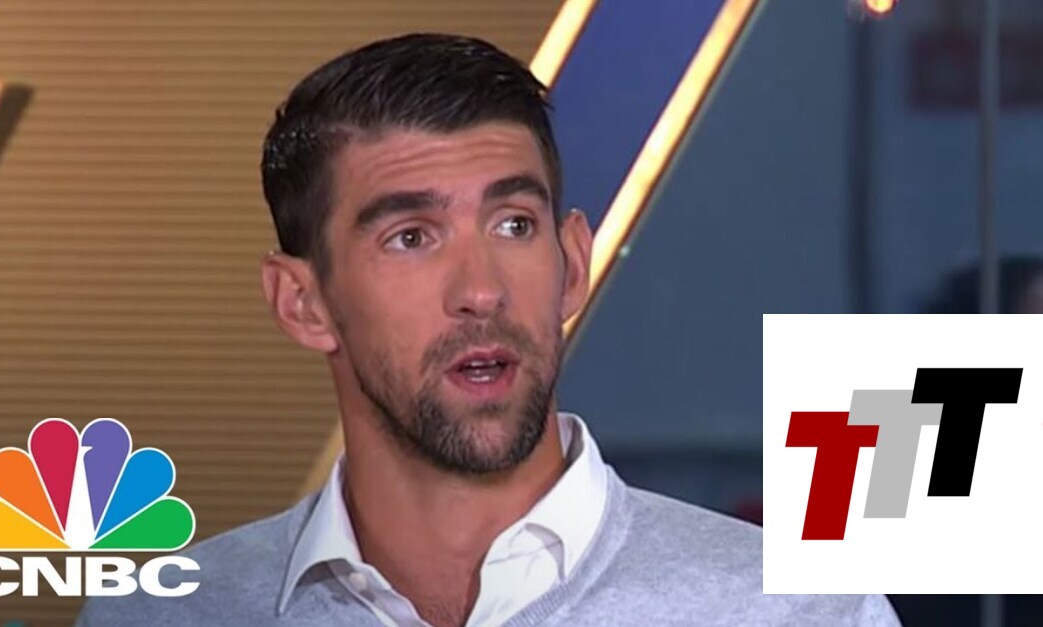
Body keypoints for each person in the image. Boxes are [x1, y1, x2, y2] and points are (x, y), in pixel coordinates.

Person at [77, 33, 900, 626]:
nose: (481, 291)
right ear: (303, 302)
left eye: (513, 225)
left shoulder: (797, 609)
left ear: (570, 263)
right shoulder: (168, 613)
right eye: (411, 237)